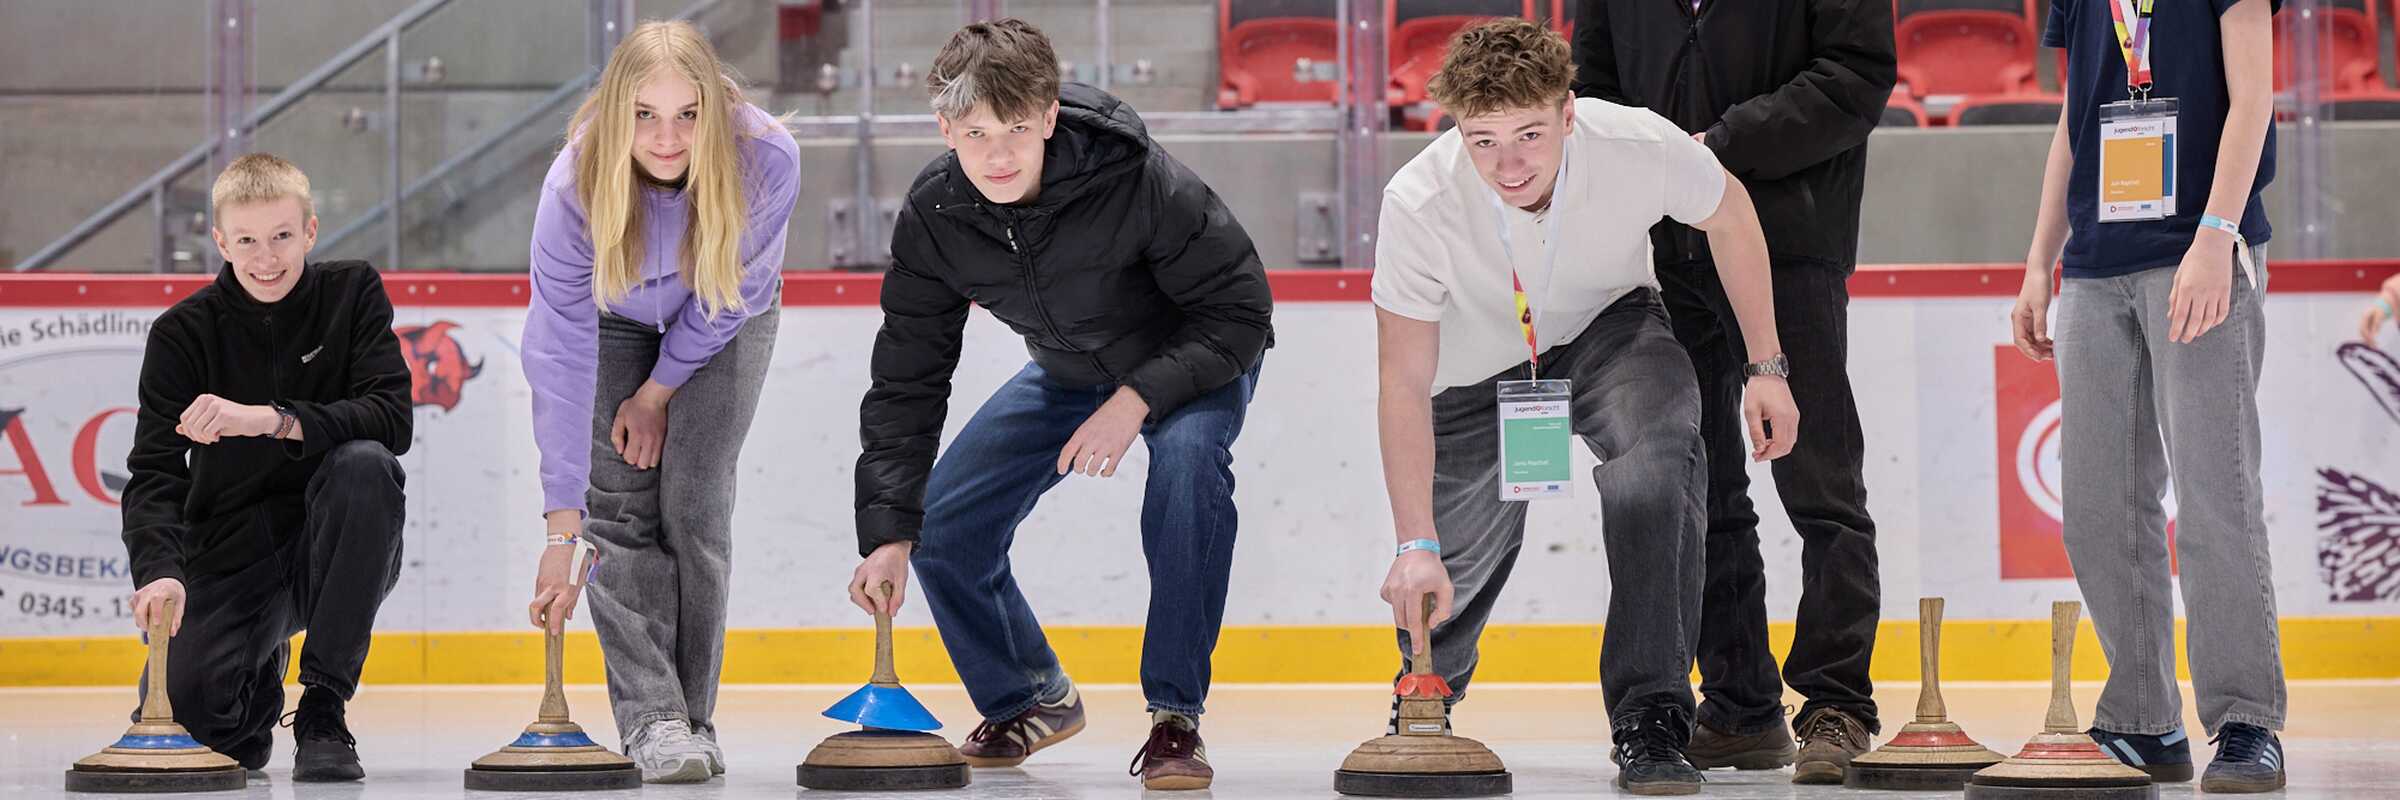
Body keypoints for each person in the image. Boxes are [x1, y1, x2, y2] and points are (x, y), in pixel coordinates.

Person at [1371, 19, 1798, 796]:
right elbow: (1401, 380)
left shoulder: (1634, 143)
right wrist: (1412, 541)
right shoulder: (1418, 201)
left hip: (1613, 330)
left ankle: (1651, 714)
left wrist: (1765, 363)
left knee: (1658, 464)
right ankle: (1429, 691)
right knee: (1449, 557)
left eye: (1531, 134)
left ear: (1570, 113)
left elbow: (1730, 211)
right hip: (1472, 374)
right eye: (1484, 141)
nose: (1509, 164)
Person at [846, 19, 1273, 791]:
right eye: (975, 133)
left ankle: (1175, 717)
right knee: (941, 524)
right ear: (943, 129)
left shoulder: (1137, 178)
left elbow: (1242, 314)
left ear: (1047, 116)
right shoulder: (936, 218)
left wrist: (1139, 397)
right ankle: (1029, 696)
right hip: (1069, 371)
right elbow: (909, 377)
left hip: (1192, 358)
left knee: (1185, 472)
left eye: (1016, 128)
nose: (999, 154)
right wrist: (886, 527)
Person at [1571, 0, 1897, 781]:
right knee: (1703, 491)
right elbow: (1592, 92)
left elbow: (1857, 78)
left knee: (1821, 485)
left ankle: (1835, 702)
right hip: (1660, 247)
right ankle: (1740, 706)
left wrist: (1718, 146)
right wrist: (1653, 174)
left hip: (1789, 239)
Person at [2009, 0, 2285, 792]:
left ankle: (2246, 720)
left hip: (2197, 250)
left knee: (2214, 495)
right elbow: (2075, 122)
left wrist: (2216, 233)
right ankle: (2141, 719)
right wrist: (2039, 261)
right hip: (2097, 262)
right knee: (2098, 505)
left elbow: (2254, 97)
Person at [518, 19, 800, 783]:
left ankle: (693, 718)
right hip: (611, 322)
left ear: (716, 108)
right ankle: (654, 718)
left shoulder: (767, 156)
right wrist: (559, 522)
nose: (667, 138)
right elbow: (559, 347)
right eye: (645, 114)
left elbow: (733, 295)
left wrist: (656, 393)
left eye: (687, 114)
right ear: (617, 113)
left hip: (727, 316)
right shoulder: (573, 184)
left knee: (696, 500)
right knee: (618, 507)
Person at [119, 152, 412, 783]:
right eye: (247, 240)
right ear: (221, 242)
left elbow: (393, 419)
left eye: (282, 236)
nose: (266, 258)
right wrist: (160, 571)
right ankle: (257, 673)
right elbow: (155, 473)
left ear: (309, 230)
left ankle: (324, 709)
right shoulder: (182, 333)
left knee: (367, 465)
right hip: (229, 552)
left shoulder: (352, 292)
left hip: (334, 542)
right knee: (201, 730)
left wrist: (269, 418)